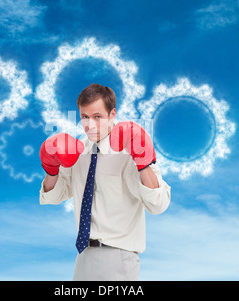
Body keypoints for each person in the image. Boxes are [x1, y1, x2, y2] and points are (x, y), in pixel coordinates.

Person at [39, 83, 171, 281]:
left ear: (112, 114)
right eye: (84, 117)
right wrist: (51, 169)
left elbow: (158, 204)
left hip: (118, 255)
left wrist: (143, 164)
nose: (90, 125)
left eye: (97, 117)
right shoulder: (77, 151)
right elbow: (54, 196)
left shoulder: (130, 147)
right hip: (83, 254)